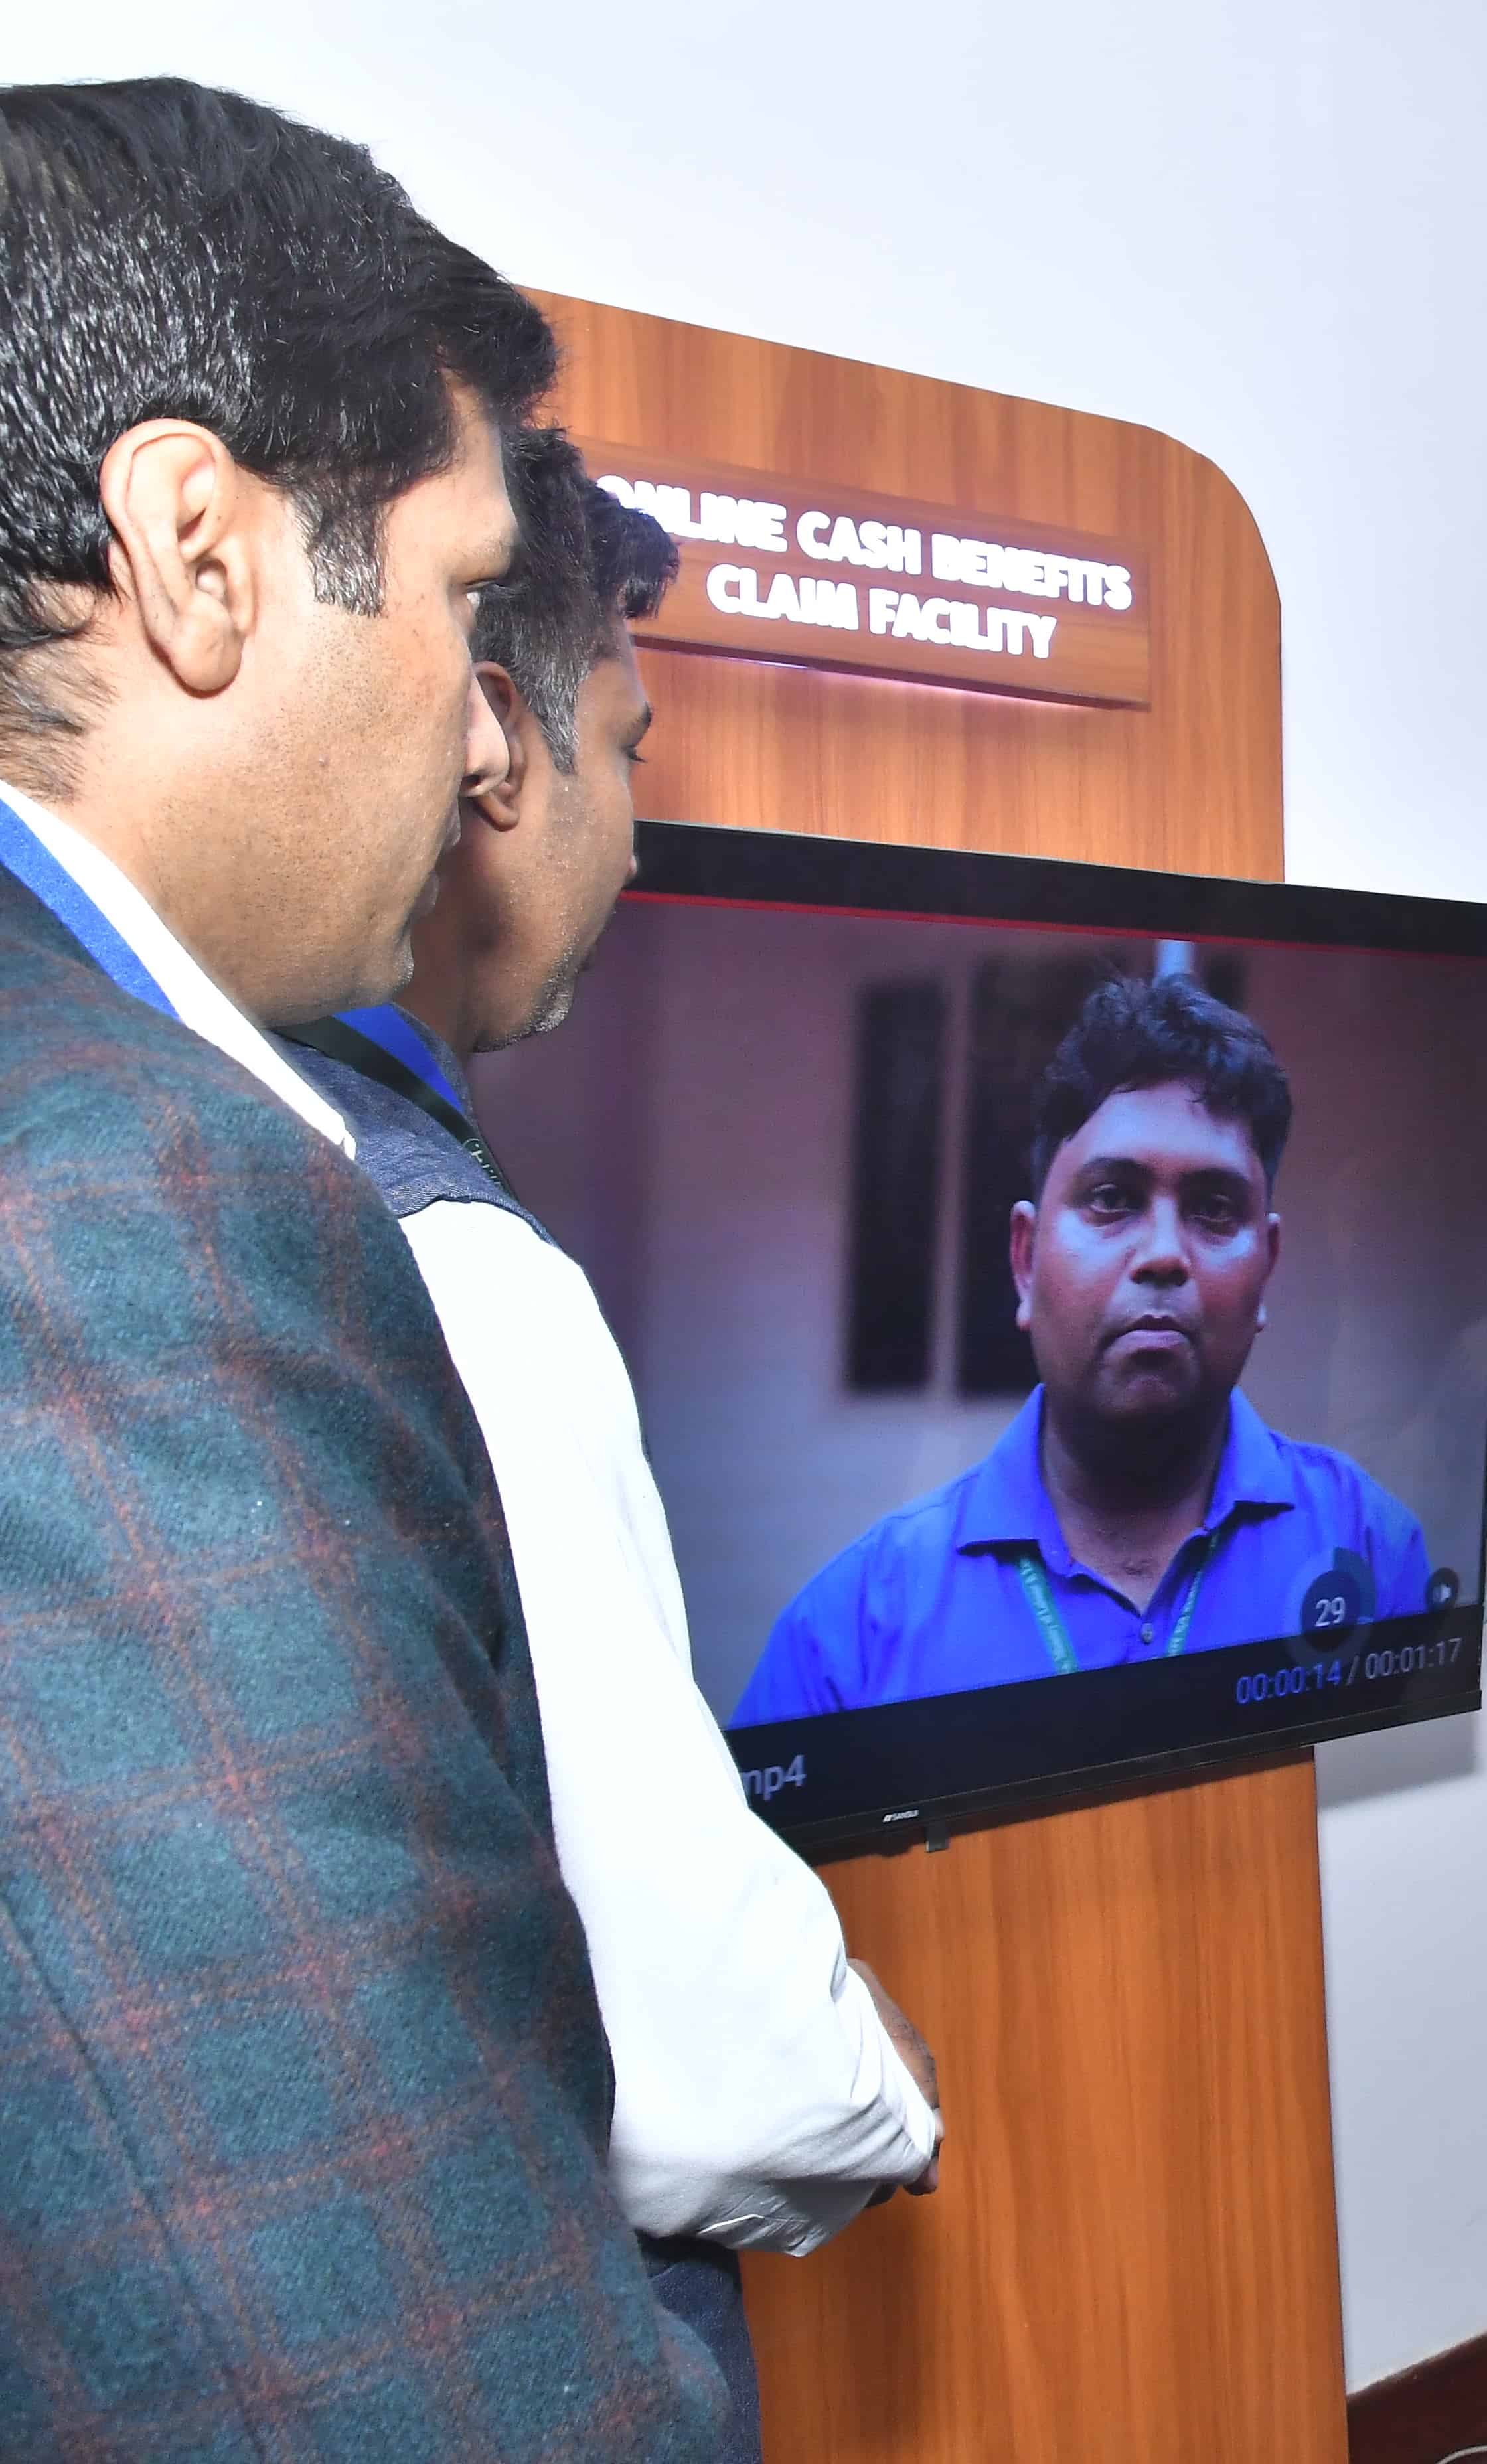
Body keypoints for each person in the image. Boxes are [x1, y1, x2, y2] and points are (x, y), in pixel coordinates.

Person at [0, 78, 727, 2454]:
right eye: (452, 595)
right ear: (196, 552)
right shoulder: (130, 1198)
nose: (479, 736)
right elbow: (381, 2332)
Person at [278, 427, 940, 2455]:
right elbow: (716, 2078)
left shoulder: (216, 1143)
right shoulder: (455, 1261)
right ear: (495, 744)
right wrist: (869, 2068)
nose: (639, 841)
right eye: (631, 750)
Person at [738, 974, 1431, 1719]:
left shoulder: (1369, 1550)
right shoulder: (849, 1639)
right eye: (1111, 1199)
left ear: (1266, 1267)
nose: (1163, 1254)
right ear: (1025, 1260)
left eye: (1213, 1208)